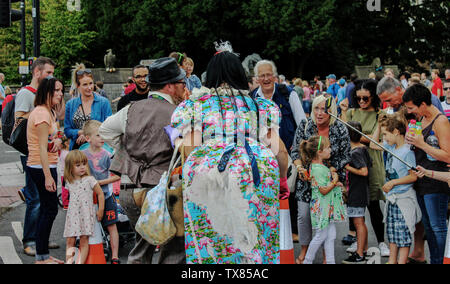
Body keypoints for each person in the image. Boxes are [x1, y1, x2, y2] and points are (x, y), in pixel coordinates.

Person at [171, 42, 289, 264]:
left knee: (212, 239)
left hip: (209, 178)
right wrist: (281, 178)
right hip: (254, 172)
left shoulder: (197, 105)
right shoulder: (258, 106)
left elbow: (189, 147)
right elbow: (280, 151)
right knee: (256, 237)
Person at [99, 57, 188, 264]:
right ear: (170, 86)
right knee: (173, 249)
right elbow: (183, 149)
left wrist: (129, 151)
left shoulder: (130, 109)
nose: (184, 87)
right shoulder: (177, 114)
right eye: (181, 83)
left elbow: (104, 130)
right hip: (163, 189)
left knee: (141, 247)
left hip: (130, 188)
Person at [291, 95, 351, 264]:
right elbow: (295, 151)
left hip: (329, 178)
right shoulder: (305, 125)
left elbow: (346, 155)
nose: (319, 113)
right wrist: (300, 167)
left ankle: (327, 256)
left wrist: (331, 169)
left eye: (324, 109)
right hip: (307, 179)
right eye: (316, 108)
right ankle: (305, 250)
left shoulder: (340, 128)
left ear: (331, 111)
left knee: (327, 219)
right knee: (303, 215)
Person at [14, 57, 58, 257]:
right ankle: (30, 240)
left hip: (42, 153)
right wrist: (39, 118)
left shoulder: (47, 107)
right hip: (33, 154)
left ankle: (41, 240)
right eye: (48, 73)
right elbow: (19, 121)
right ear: (37, 72)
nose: (51, 76)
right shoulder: (26, 94)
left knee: (45, 204)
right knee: (36, 201)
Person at [340, 79, 390, 257]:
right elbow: (345, 133)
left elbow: (377, 141)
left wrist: (357, 137)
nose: (361, 101)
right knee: (355, 204)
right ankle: (358, 241)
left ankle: (382, 242)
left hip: (373, 163)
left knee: (374, 206)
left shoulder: (381, 114)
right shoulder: (352, 111)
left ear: (373, 97)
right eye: (358, 98)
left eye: (365, 98)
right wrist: (344, 113)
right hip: (354, 164)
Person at [403, 84, 450, 264]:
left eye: (411, 107)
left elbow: (447, 155)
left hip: (437, 180)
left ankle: (441, 261)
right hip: (421, 178)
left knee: (438, 227)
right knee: (428, 227)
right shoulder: (420, 118)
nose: (409, 111)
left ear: (423, 104)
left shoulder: (441, 121)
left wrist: (422, 144)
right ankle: (436, 260)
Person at [370, 114, 421, 264]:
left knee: (403, 235)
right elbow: (373, 144)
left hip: (403, 198)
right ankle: (392, 260)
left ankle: (402, 261)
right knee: (392, 233)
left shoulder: (407, 152)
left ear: (396, 132)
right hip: (392, 198)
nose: (384, 137)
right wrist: (379, 126)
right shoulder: (390, 147)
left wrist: (394, 183)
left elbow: (413, 176)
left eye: (386, 134)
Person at [26, 76, 65, 264]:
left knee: (47, 209)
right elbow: (41, 148)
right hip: (41, 167)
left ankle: (43, 254)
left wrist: (57, 141)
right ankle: (41, 257)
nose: (60, 94)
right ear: (46, 92)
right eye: (56, 90)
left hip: (46, 165)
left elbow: (50, 141)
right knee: (49, 210)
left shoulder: (49, 111)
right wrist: (48, 177)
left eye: (61, 90)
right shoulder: (41, 114)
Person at [299, 136, 347, 264]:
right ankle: (307, 261)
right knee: (322, 235)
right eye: (328, 147)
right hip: (322, 207)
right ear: (319, 152)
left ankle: (330, 261)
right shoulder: (319, 169)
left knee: (330, 235)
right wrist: (335, 180)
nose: (330, 150)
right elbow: (323, 190)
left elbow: (323, 186)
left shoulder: (318, 167)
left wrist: (335, 184)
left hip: (325, 207)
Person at [82, 120, 121, 264]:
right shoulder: (83, 154)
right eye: (98, 135)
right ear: (88, 138)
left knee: (112, 225)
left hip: (106, 194)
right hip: (89, 197)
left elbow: (117, 175)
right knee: (87, 226)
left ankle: (115, 256)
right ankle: (87, 253)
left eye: (103, 135)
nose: (102, 138)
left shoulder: (107, 155)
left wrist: (99, 183)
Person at [251, 59, 306, 152]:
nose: (266, 79)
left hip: (289, 153)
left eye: (269, 74)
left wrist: (298, 145)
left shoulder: (288, 94)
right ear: (257, 78)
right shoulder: (252, 98)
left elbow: (302, 123)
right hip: (263, 155)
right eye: (262, 75)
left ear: (274, 76)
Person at [63, 150, 105, 264]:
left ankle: (80, 262)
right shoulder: (69, 181)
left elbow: (100, 194)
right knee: (70, 240)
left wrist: (101, 210)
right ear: (70, 167)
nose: (82, 167)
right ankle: (69, 262)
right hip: (73, 214)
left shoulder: (90, 180)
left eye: (84, 164)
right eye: (78, 165)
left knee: (84, 240)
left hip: (86, 214)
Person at [342, 121, 371, 264]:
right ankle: (363, 249)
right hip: (361, 191)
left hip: (357, 192)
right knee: (361, 222)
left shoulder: (356, 152)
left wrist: (347, 167)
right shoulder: (363, 148)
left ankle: (359, 253)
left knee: (358, 223)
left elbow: (364, 171)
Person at [64, 66, 112, 150]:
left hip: (98, 150)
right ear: (78, 86)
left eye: (91, 83)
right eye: (85, 85)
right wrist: (80, 133)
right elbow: (67, 130)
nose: (89, 88)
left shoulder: (103, 102)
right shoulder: (70, 104)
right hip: (77, 151)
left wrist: (88, 135)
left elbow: (109, 126)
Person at [57, 137, 70, 210]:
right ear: (66, 143)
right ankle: (65, 203)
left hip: (64, 174)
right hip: (66, 174)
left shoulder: (63, 152)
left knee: (65, 189)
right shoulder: (66, 154)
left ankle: (66, 202)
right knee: (65, 189)